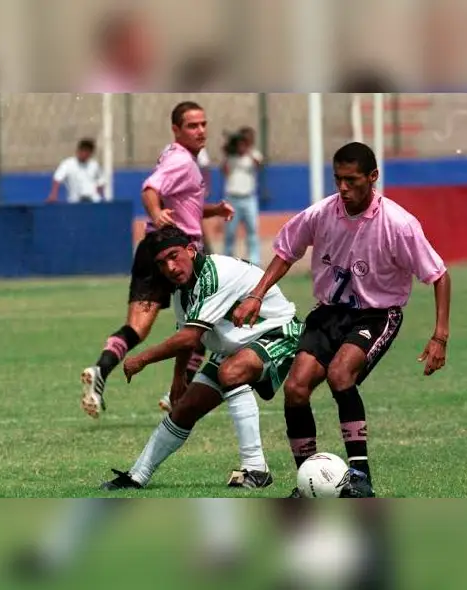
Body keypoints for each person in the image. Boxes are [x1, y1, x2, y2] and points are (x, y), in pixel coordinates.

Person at [232, 141, 452, 498]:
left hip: (377, 314)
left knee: (340, 374)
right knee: (295, 387)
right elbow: (286, 251)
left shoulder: (398, 223)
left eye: (352, 180)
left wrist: (439, 336)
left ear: (373, 177)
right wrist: (257, 294)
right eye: (338, 180)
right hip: (329, 313)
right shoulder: (322, 213)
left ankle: (360, 477)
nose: (344, 188)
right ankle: (307, 481)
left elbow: (439, 275)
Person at [100, 225, 305, 490]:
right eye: (162, 263)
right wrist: (178, 380)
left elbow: (190, 338)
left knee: (231, 373)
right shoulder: (181, 290)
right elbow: (186, 336)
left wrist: (141, 359)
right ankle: (137, 476)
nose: (171, 267)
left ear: (190, 249)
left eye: (174, 256)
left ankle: (256, 469)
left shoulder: (215, 274)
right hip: (236, 348)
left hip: (278, 333)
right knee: (185, 408)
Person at [80, 101, 233, 419]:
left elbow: (181, 204)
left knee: (137, 328)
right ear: (176, 129)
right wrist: (155, 212)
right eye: (192, 126)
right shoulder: (180, 161)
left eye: (204, 124)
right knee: (205, 323)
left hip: (152, 249)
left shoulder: (175, 156)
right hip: (181, 254)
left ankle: (100, 371)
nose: (201, 130)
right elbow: (150, 189)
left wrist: (213, 209)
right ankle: (178, 391)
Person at [222, 126, 264, 266]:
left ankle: (255, 261)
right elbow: (224, 170)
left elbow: (259, 164)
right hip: (232, 198)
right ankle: (227, 260)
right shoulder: (231, 157)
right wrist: (229, 150)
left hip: (249, 198)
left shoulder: (253, 154)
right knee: (230, 232)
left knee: (252, 230)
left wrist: (247, 150)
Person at [46, 138, 105, 204]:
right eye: (82, 151)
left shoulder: (94, 165)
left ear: (90, 153)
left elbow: (101, 181)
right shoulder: (68, 164)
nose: (84, 154)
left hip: (93, 202)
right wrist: (53, 195)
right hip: (75, 202)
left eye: (87, 151)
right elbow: (57, 179)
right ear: (78, 151)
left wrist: (98, 194)